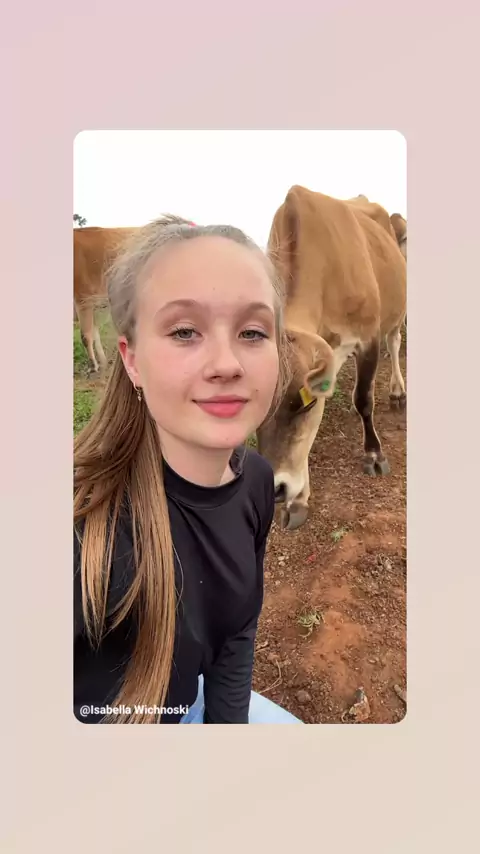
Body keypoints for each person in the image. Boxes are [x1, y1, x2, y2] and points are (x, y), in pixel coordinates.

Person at [74, 214, 304, 724]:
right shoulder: (82, 530)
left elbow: (237, 632)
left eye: (252, 332)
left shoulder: (257, 482)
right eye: (184, 331)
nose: (226, 364)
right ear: (132, 361)